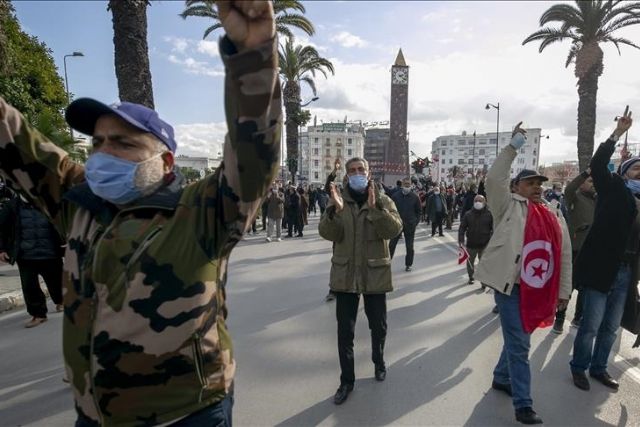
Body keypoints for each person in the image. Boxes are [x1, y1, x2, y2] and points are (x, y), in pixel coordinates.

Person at [0, 2, 280, 425]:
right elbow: (17, 142)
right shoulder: (78, 202)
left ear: (165, 163)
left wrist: (254, 55)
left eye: (124, 143)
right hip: (93, 415)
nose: (103, 154)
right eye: (98, 143)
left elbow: (253, 154)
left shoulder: (200, 212)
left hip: (186, 415)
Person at [475, 122, 571, 425]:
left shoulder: (554, 215)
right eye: (530, 183)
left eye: (539, 183)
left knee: (518, 338)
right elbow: (495, 178)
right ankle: (523, 404)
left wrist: (564, 292)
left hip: (539, 289)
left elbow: (564, 255)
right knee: (520, 344)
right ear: (516, 187)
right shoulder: (506, 206)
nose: (537, 187)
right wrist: (513, 145)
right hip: (510, 288)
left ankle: (501, 377)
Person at [318, 157, 402, 405]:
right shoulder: (338, 199)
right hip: (345, 276)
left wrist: (375, 210)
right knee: (345, 332)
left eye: (360, 170)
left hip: (374, 274)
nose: (357, 174)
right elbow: (328, 233)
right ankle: (347, 381)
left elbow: (394, 230)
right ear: (346, 175)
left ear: (368, 173)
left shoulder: (383, 199)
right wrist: (335, 211)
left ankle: (379, 361)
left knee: (379, 326)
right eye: (352, 170)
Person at [570, 107, 640, 392]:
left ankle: (599, 368)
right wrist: (617, 134)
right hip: (601, 269)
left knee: (611, 327)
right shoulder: (613, 189)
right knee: (591, 324)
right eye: (636, 169)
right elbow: (598, 164)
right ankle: (579, 367)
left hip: (626, 273)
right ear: (623, 172)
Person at [0, 193, 65, 327]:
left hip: (50, 251)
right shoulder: (12, 206)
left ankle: (61, 301)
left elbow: (64, 223)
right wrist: (2, 249)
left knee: (56, 281)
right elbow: (1, 228)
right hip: (25, 254)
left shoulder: (49, 202)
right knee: (30, 287)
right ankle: (38, 314)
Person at [551, 169, 595, 334]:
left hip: (591, 251)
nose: (594, 184)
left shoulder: (598, 200)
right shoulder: (574, 197)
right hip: (575, 250)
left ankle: (578, 318)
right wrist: (586, 173)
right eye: (590, 181)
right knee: (568, 286)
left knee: (585, 288)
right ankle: (560, 318)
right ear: (581, 184)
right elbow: (569, 189)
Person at [458, 194, 493, 285]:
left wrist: (492, 241)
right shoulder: (468, 214)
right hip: (471, 244)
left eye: (480, 201)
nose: (478, 202)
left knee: (484, 264)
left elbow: (493, 229)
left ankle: (483, 281)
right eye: (476, 201)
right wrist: (461, 241)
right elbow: (462, 228)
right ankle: (471, 277)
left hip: (485, 244)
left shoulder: (489, 214)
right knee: (470, 262)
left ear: (484, 202)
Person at [389, 178, 422, 271]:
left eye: (408, 184)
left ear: (411, 185)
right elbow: (390, 209)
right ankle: (387, 262)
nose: (407, 186)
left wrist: (415, 222)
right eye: (405, 184)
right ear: (402, 185)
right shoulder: (395, 196)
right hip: (397, 224)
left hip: (410, 225)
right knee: (391, 245)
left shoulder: (415, 197)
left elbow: (419, 211)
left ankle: (408, 264)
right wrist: (392, 220)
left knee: (409, 247)